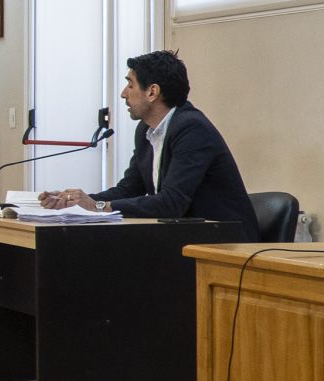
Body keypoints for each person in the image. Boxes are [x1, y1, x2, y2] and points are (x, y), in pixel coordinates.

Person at [39, 50, 259, 240]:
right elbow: (129, 189)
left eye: (130, 84)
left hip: (225, 241)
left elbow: (171, 203)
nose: (123, 93)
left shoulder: (192, 128)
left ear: (152, 92)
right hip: (186, 235)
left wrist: (97, 207)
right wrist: (78, 202)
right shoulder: (146, 129)